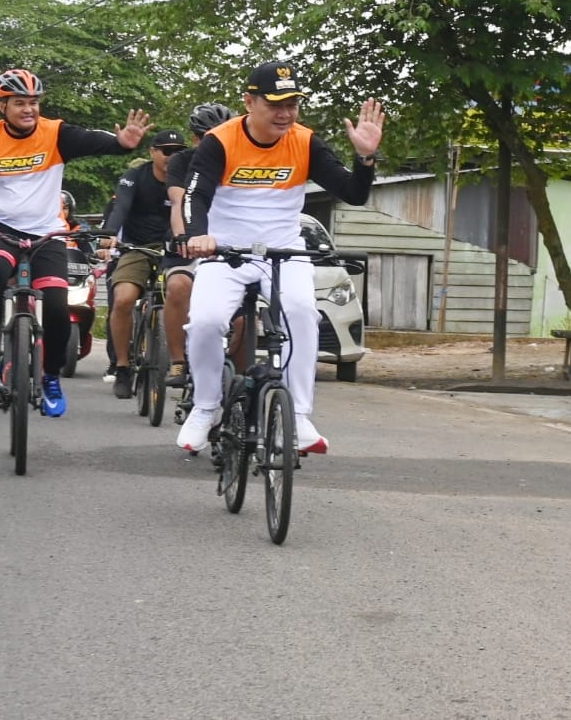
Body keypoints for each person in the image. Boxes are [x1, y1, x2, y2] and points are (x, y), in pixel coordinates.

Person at [177, 61, 382, 455]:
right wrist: (196, 236)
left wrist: (365, 159)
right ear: (249, 101)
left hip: (284, 252)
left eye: (293, 103)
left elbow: (352, 193)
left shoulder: (305, 141)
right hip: (226, 252)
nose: (286, 113)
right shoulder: (219, 141)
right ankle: (205, 409)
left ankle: (299, 415)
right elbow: (195, 196)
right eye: (275, 104)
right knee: (205, 322)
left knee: (303, 313)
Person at [0, 68, 152, 418]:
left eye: (33, 102)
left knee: (59, 304)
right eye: (19, 103)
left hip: (47, 233)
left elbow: (98, 141)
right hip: (1, 228)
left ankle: (50, 377)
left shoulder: (56, 133)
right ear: (2, 106)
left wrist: (121, 143)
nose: (29, 109)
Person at [102, 129, 180, 399]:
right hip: (136, 247)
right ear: (152, 152)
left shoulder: (184, 178)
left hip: (175, 250)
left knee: (184, 295)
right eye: (167, 151)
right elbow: (120, 207)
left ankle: (183, 364)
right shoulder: (135, 175)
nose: (173, 156)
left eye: (179, 151)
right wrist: (110, 234)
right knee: (123, 299)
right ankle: (123, 366)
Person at [163, 103, 235, 388]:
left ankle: (239, 379)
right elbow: (181, 202)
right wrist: (185, 237)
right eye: (209, 135)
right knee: (179, 286)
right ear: (195, 138)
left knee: (244, 313)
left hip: (226, 241)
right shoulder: (182, 161)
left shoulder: (238, 158)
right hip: (191, 237)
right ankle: (178, 361)